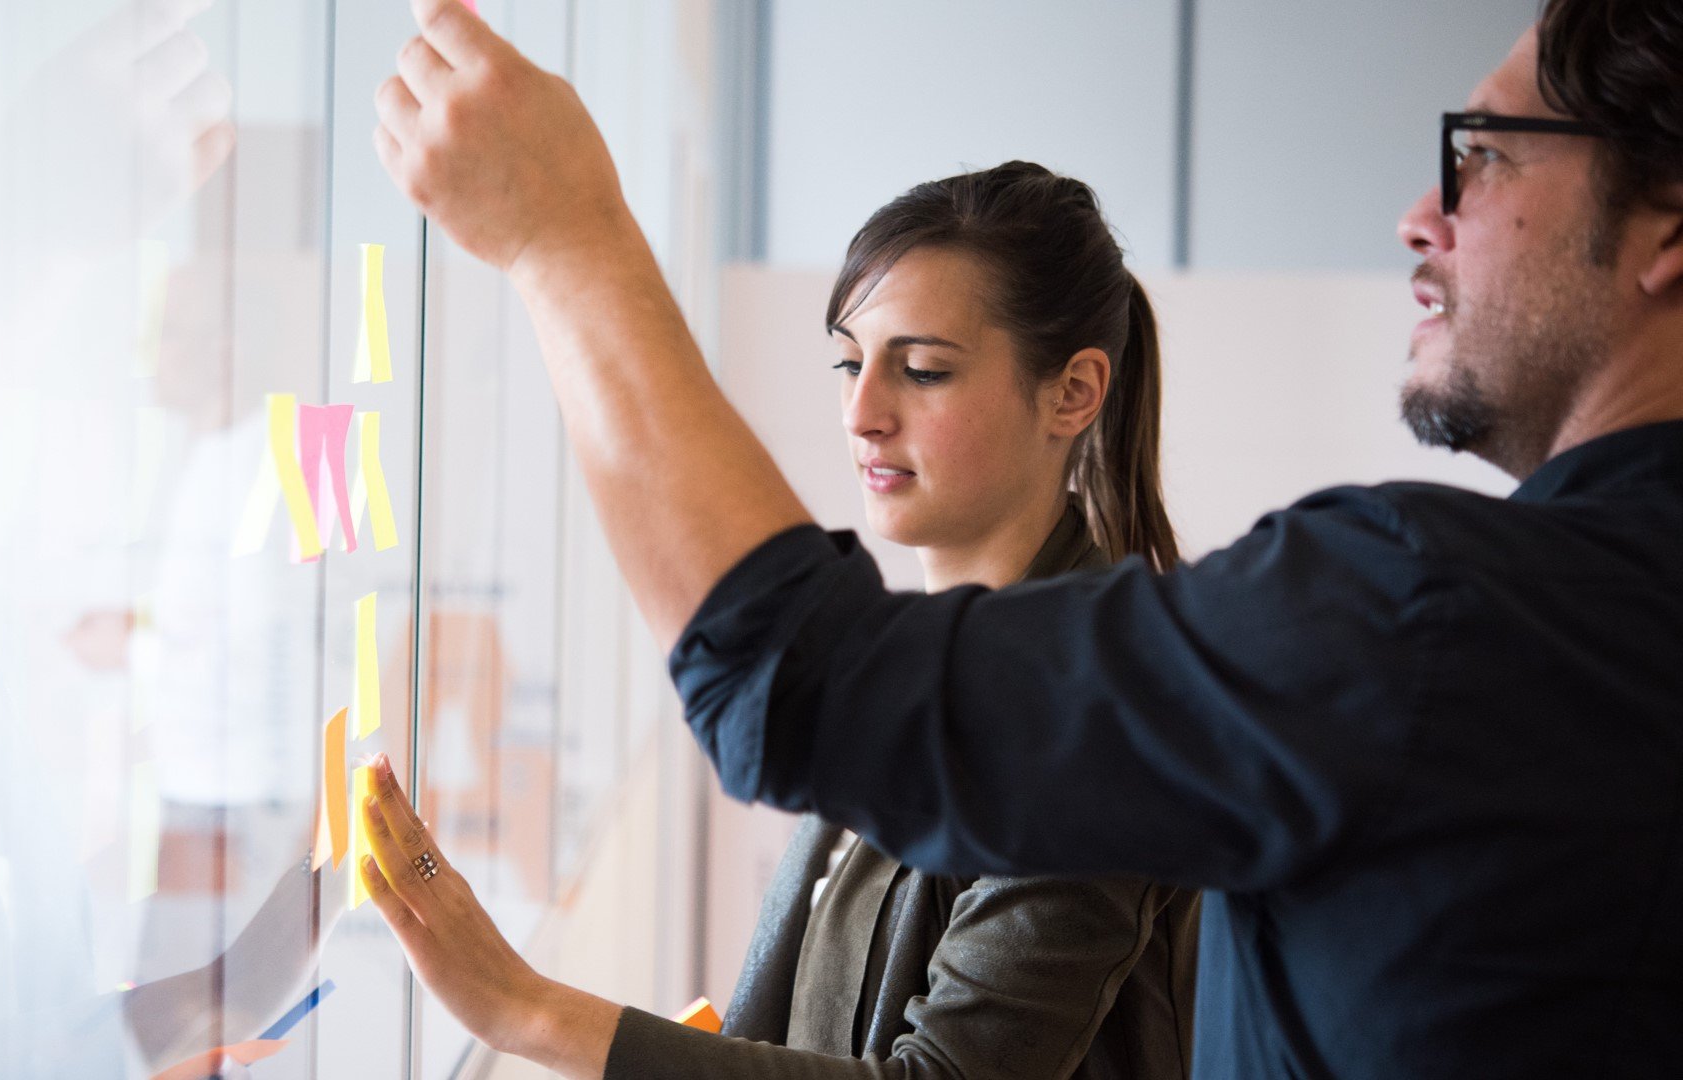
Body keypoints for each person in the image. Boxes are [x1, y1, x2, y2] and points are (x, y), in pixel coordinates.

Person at [368, 0, 1683, 1076]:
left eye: (1489, 153)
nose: (1421, 212)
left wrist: (565, 239)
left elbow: (793, 683)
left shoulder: (1415, 616)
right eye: (849, 366)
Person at [357, 162, 1200, 1080]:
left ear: (1074, 392)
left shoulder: (1096, 719)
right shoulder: (923, 668)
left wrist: (523, 1008)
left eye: (921, 370)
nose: (862, 411)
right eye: (850, 361)